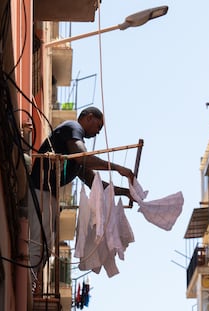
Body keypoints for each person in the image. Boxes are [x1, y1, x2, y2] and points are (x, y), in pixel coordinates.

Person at [28, 107, 134, 278]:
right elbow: (81, 155)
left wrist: (126, 192)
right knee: (38, 244)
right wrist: (116, 168)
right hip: (40, 190)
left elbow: (95, 184)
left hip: (47, 194)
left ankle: (32, 281)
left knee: (45, 245)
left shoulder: (74, 149)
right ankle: (29, 284)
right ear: (89, 117)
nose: (98, 133)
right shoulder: (73, 128)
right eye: (98, 127)